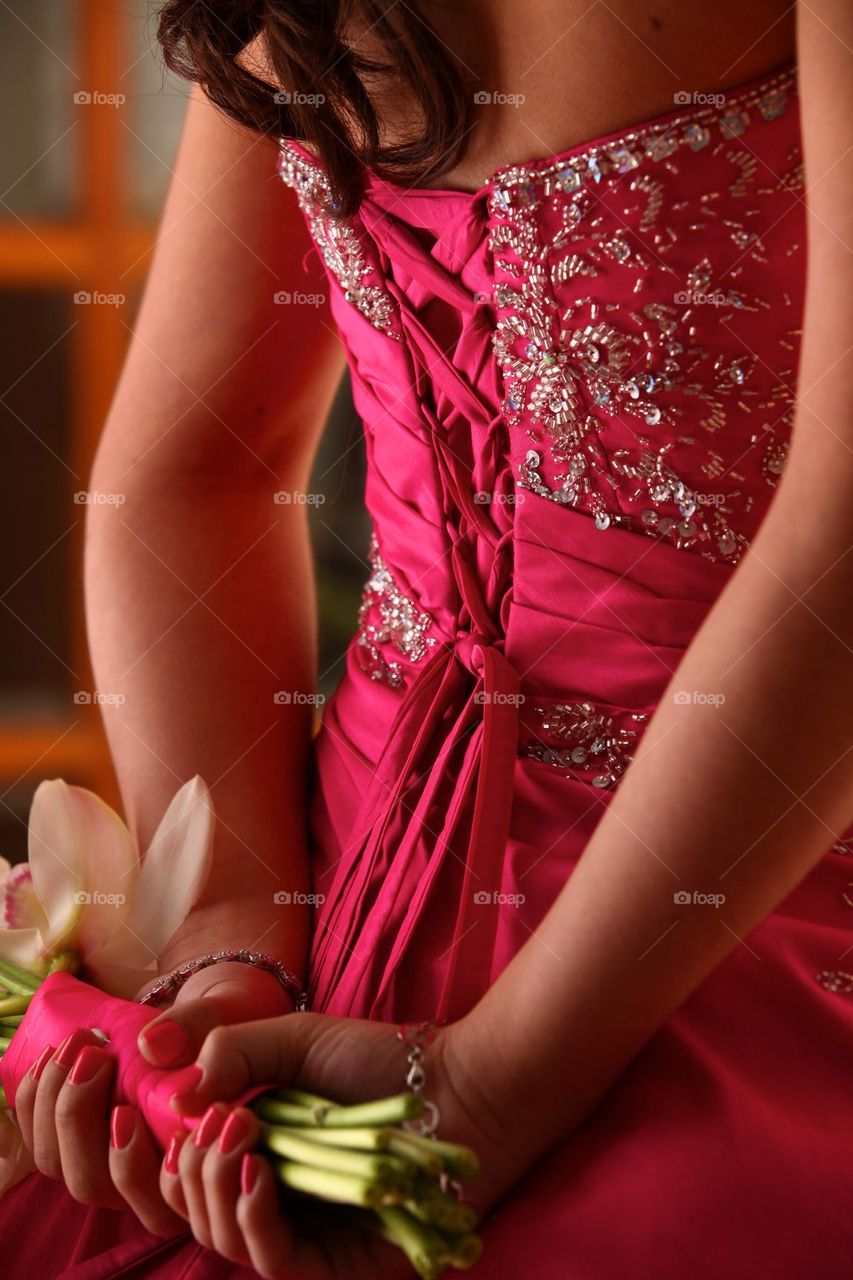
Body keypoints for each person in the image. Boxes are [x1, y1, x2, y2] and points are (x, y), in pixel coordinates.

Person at [2, 1, 853, 1276]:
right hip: (343, 883)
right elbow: (194, 473)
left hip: (747, 881)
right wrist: (230, 940)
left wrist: (489, 1094)